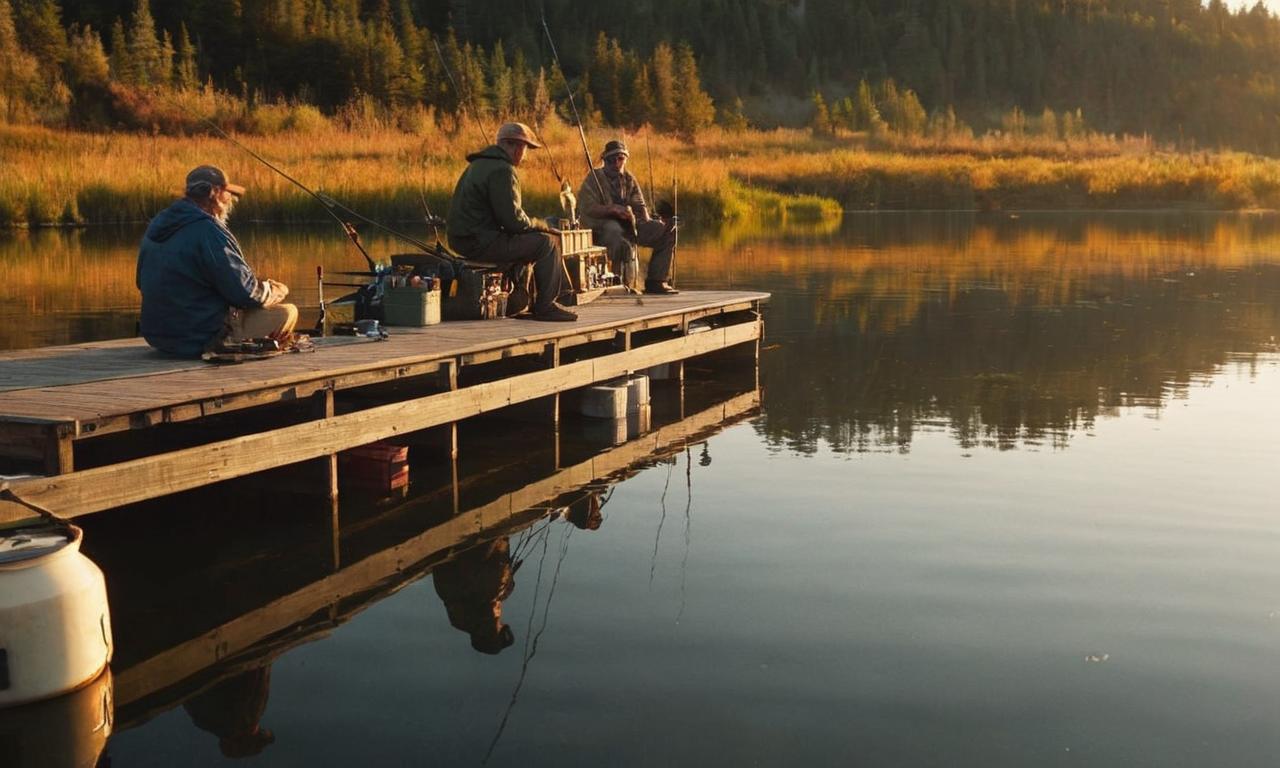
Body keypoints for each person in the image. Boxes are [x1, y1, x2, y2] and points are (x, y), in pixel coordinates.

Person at [136, 165, 297, 357]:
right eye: (228, 194)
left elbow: (140, 282)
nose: (230, 200)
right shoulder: (209, 231)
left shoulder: (156, 227)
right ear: (216, 193)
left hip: (159, 337)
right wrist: (275, 291)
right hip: (199, 338)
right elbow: (245, 294)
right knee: (287, 312)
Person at [446, 122, 577, 322]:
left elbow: (506, 218)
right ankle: (545, 306)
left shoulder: (478, 164)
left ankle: (525, 297)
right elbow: (514, 221)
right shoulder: (502, 170)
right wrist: (543, 226)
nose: (524, 155)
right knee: (548, 243)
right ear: (514, 146)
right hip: (480, 241)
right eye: (525, 149)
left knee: (532, 240)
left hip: (464, 239)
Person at [578, 139, 679, 295]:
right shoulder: (594, 178)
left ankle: (656, 281)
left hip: (631, 225)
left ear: (625, 159)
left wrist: (652, 222)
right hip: (601, 228)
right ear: (604, 159)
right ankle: (618, 282)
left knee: (667, 230)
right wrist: (611, 209)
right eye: (611, 158)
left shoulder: (628, 179)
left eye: (620, 158)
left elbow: (640, 207)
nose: (616, 162)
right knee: (615, 231)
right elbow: (586, 207)